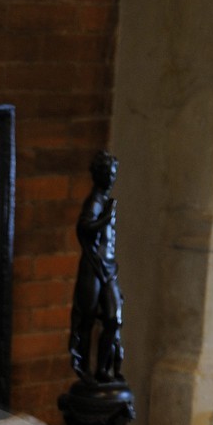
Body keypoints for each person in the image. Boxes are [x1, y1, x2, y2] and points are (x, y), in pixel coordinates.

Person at [69, 151, 124, 382]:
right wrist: (107, 216)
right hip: (93, 267)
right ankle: (84, 369)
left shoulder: (104, 201)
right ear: (99, 176)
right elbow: (83, 228)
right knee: (87, 319)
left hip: (108, 269)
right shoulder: (95, 201)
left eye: (113, 175)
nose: (111, 179)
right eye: (108, 175)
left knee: (113, 319)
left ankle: (103, 369)